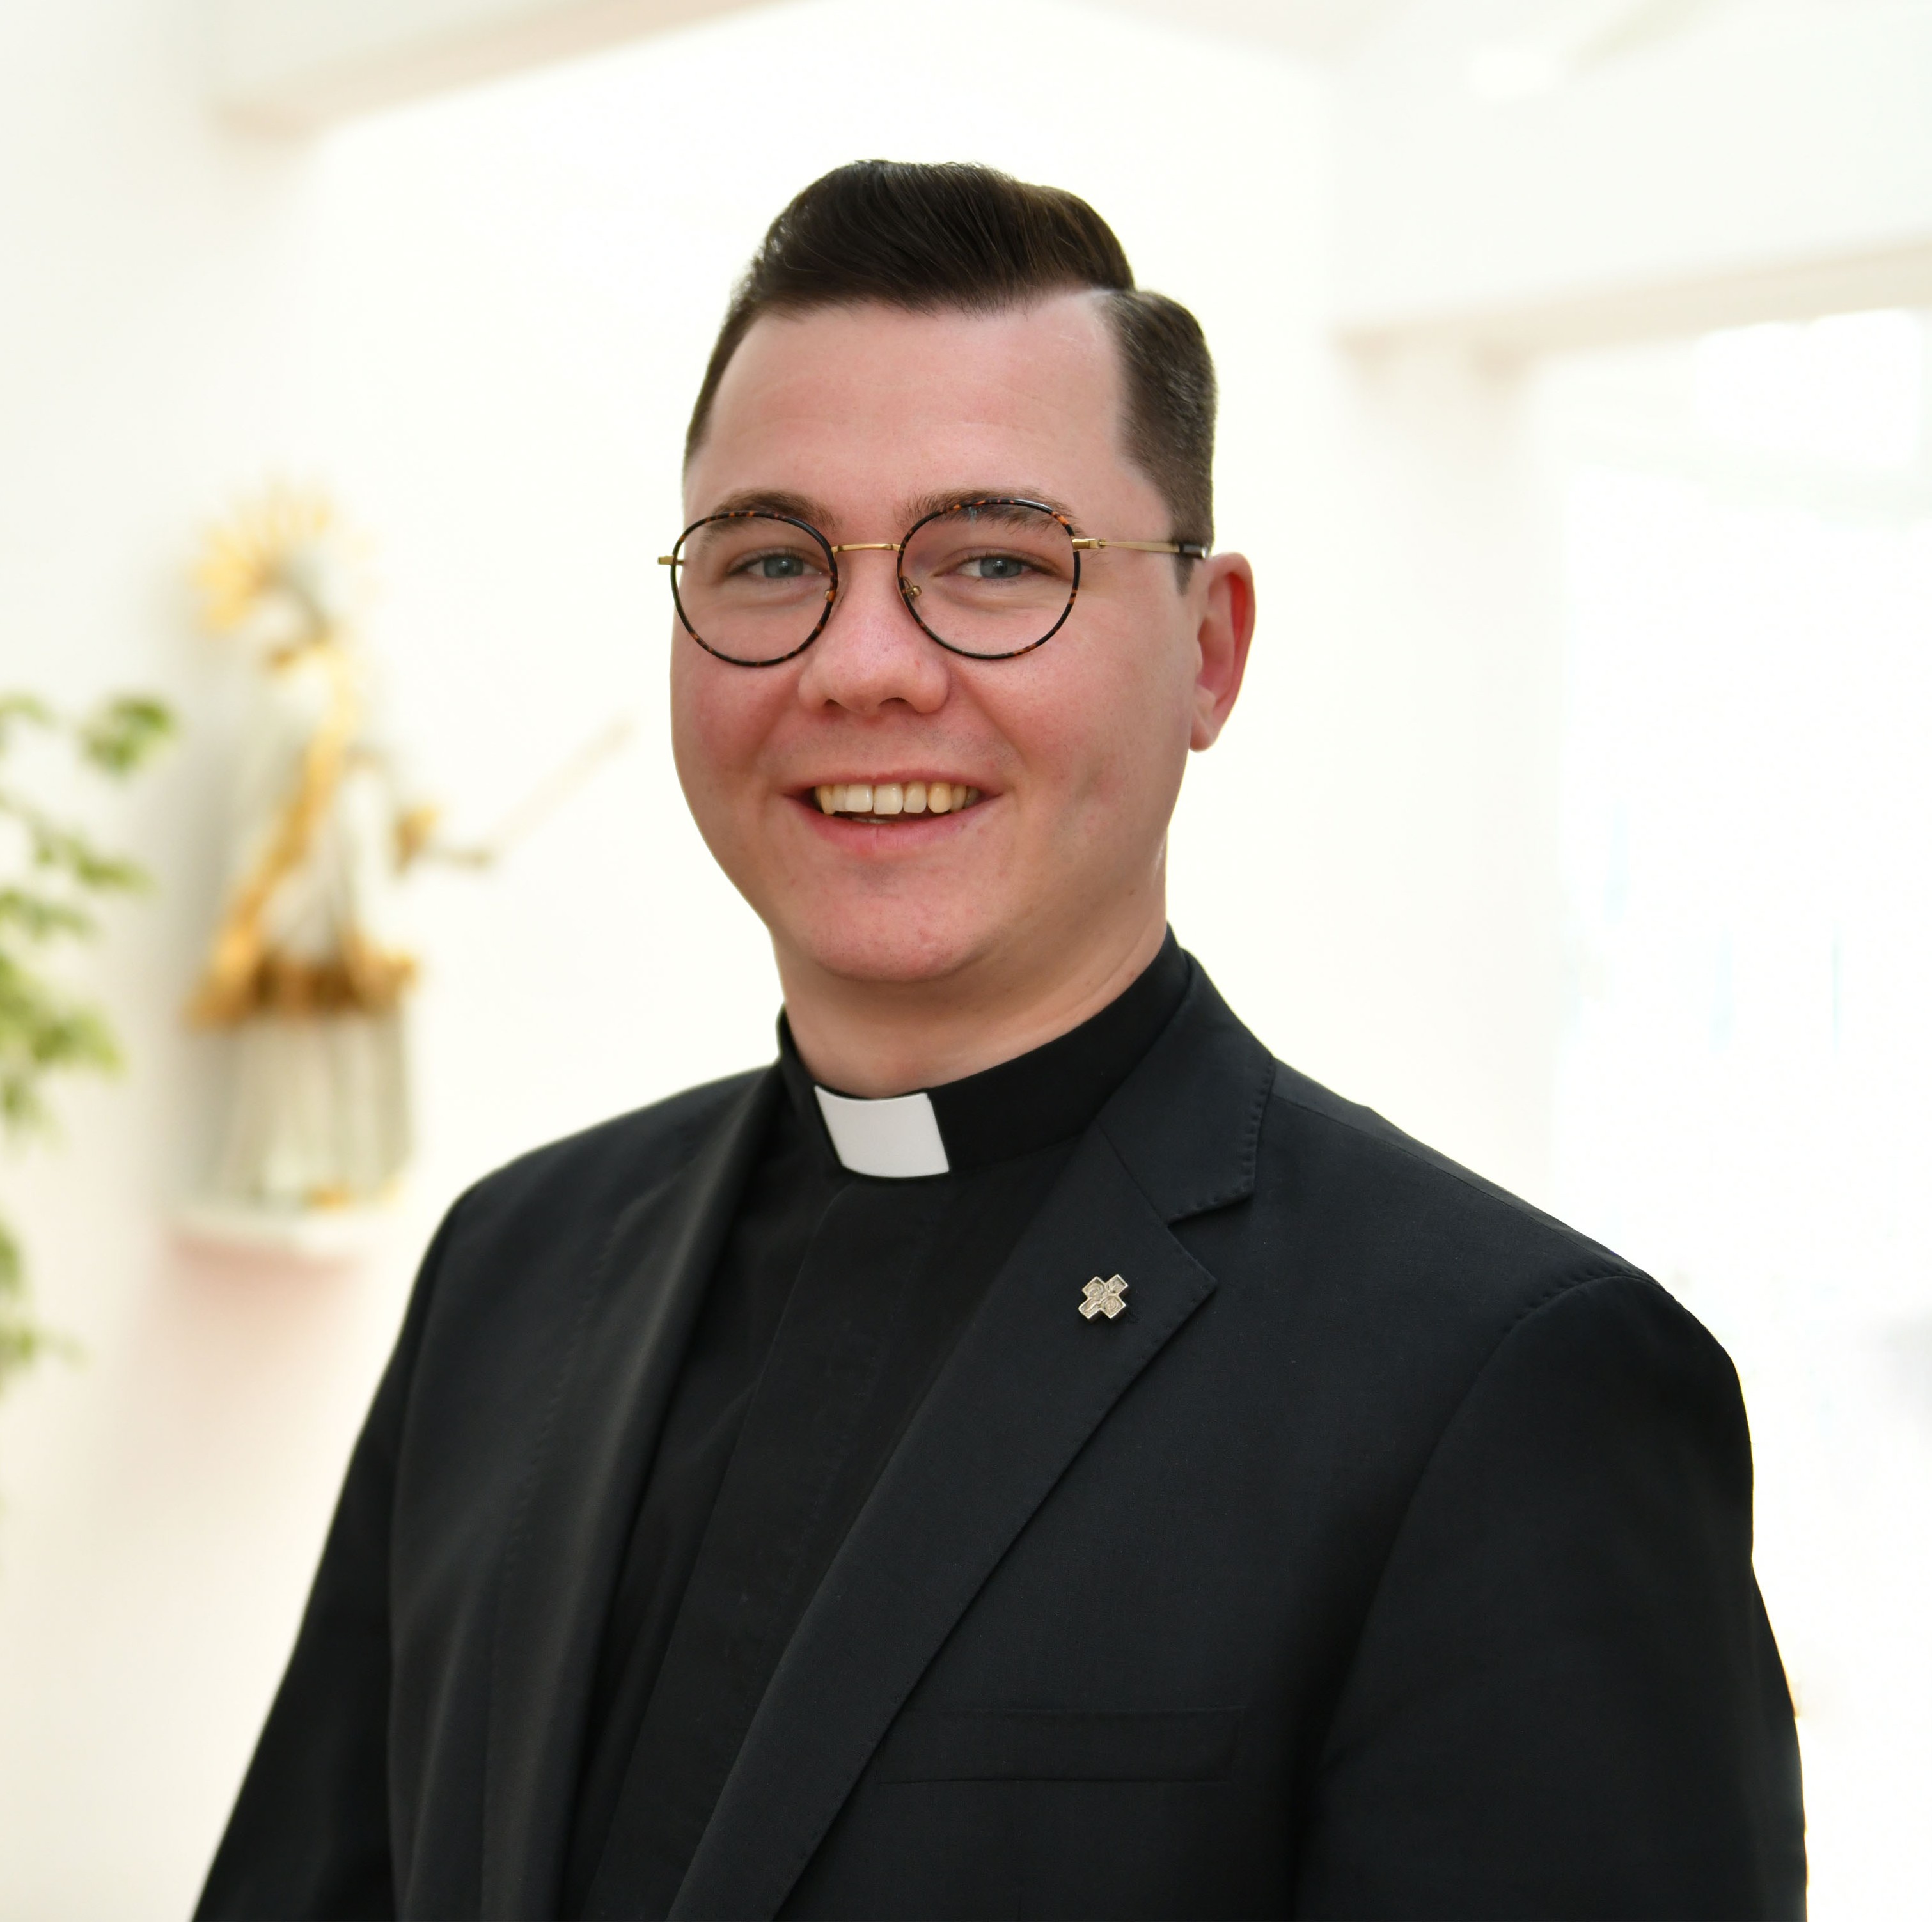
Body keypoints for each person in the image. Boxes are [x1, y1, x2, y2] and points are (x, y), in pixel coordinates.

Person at [196, 161, 1805, 1921]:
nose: (863, 667)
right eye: (773, 561)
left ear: (1209, 650)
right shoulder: (513, 1270)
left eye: (991, 563)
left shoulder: (1506, 1388)